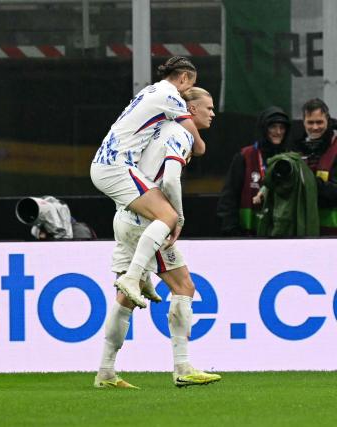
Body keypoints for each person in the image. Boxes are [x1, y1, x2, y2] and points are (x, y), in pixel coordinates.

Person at [94, 87, 221, 389]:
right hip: (149, 221)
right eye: (208, 107)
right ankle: (182, 366)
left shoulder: (157, 129)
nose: (213, 113)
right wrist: (176, 215)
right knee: (184, 286)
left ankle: (105, 372)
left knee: (125, 297)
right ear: (189, 109)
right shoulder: (179, 133)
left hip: (126, 214)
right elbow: (170, 178)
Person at [91, 56, 206, 309]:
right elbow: (195, 140)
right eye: (190, 86)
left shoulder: (149, 90)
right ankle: (133, 277)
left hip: (106, 164)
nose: (188, 95)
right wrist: (199, 145)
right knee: (167, 215)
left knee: (146, 215)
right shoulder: (172, 95)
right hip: (117, 166)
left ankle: (139, 277)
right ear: (184, 77)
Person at [216, 107, 291, 236]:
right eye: (272, 127)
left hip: (281, 235)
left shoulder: (290, 159)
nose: (278, 132)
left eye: (282, 127)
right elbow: (229, 198)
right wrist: (231, 231)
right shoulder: (245, 156)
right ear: (263, 129)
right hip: (248, 236)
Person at [291, 98, 337, 234]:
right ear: (303, 122)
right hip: (303, 231)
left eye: (319, 122)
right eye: (310, 122)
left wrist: (310, 182)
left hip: (332, 234)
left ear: (327, 120)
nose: (315, 127)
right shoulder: (295, 148)